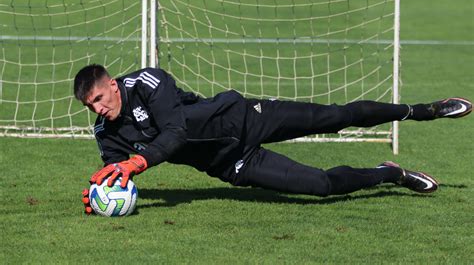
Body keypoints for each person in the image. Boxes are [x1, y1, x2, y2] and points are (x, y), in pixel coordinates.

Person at [75, 64, 472, 214]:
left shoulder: (148, 82)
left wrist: (138, 162)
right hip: (230, 164)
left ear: (111, 85)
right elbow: (115, 166)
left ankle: (423, 110)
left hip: (246, 119)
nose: (97, 109)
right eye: (89, 106)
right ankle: (390, 175)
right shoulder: (104, 130)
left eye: (98, 99)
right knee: (319, 187)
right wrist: (106, 188)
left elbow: (175, 132)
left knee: (337, 116)